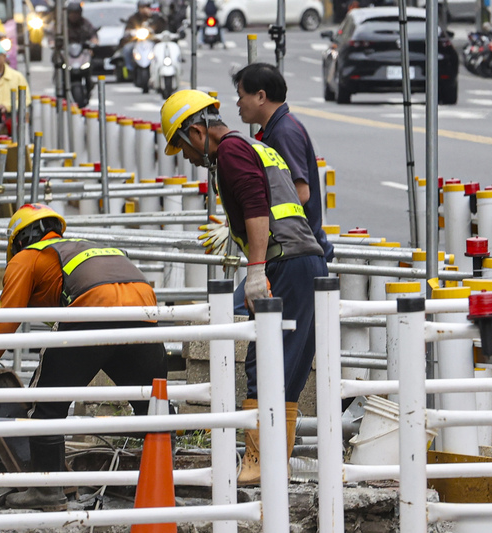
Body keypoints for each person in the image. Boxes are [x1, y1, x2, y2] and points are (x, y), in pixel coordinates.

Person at [160, 90, 328, 486]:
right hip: (302, 260)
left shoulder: (231, 153)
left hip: (284, 263)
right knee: (284, 364)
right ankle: (272, 462)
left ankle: (259, 462)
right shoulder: (253, 146)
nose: (188, 158)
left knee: (267, 361)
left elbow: (255, 204)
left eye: (184, 148)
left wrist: (255, 269)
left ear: (196, 131)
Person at [0, 203, 168, 511]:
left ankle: (47, 492)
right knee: (154, 404)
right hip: (143, 310)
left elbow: (4, 323)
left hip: (92, 309)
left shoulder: (27, 257)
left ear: (19, 239)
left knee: (47, 405)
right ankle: (163, 484)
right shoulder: (83, 249)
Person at [232, 62, 334, 264]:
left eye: (241, 96)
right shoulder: (277, 129)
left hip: (297, 252)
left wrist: (257, 220)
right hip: (291, 248)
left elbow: (301, 194)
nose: (238, 103)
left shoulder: (284, 133)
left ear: (261, 97)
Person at [120, 0, 167, 78]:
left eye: (147, 7)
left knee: (161, 49)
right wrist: (131, 32)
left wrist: (154, 31)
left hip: (152, 41)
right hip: (137, 42)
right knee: (127, 49)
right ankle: (130, 69)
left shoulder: (156, 18)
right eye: (142, 7)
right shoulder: (134, 18)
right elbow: (127, 29)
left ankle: (162, 67)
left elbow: (162, 27)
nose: (145, 9)